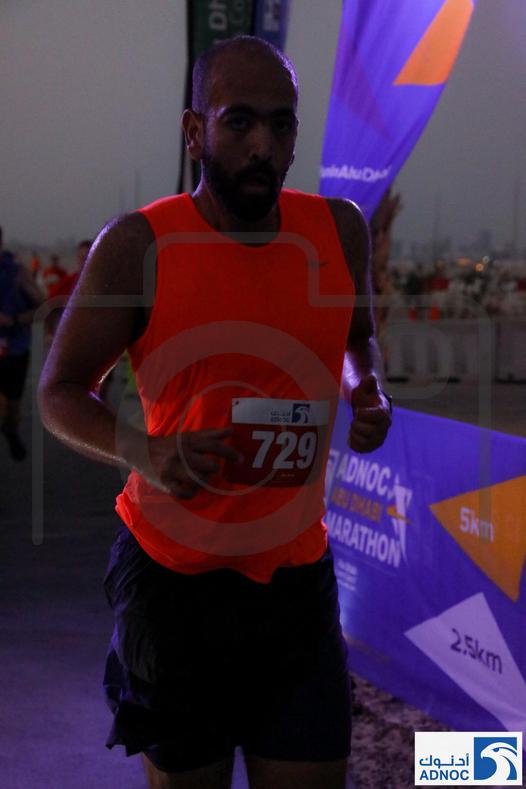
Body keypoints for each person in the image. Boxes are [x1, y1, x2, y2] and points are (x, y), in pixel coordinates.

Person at [38, 36, 392, 789]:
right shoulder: (138, 245)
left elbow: (357, 336)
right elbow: (60, 390)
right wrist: (144, 449)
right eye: (240, 122)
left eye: (282, 124)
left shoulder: (339, 231)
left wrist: (368, 389)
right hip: (175, 585)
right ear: (195, 132)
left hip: (297, 580)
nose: (264, 144)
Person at [0, 227, 44, 460]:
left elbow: (41, 309)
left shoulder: (17, 273)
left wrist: (14, 319)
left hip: (14, 350)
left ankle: (10, 429)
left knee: (12, 406)